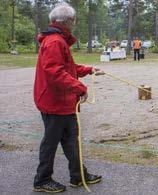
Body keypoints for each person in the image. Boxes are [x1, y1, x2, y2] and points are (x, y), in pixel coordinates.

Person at [33, 3, 105, 193]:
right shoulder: (55, 41)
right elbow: (55, 73)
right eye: (74, 20)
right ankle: (41, 180)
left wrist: (89, 70)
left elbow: (67, 68)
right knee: (50, 143)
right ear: (69, 21)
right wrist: (80, 88)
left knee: (72, 141)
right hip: (54, 103)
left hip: (64, 103)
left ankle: (78, 175)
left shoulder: (58, 40)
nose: (74, 23)